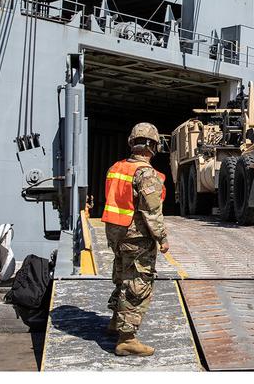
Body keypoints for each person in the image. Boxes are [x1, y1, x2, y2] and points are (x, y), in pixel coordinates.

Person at [101, 122, 170, 356]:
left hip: (116, 233)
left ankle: (114, 322)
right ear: (152, 146)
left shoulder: (116, 167)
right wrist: (162, 238)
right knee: (138, 282)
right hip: (136, 235)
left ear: (132, 143)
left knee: (122, 275)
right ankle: (127, 338)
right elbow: (151, 211)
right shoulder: (146, 173)